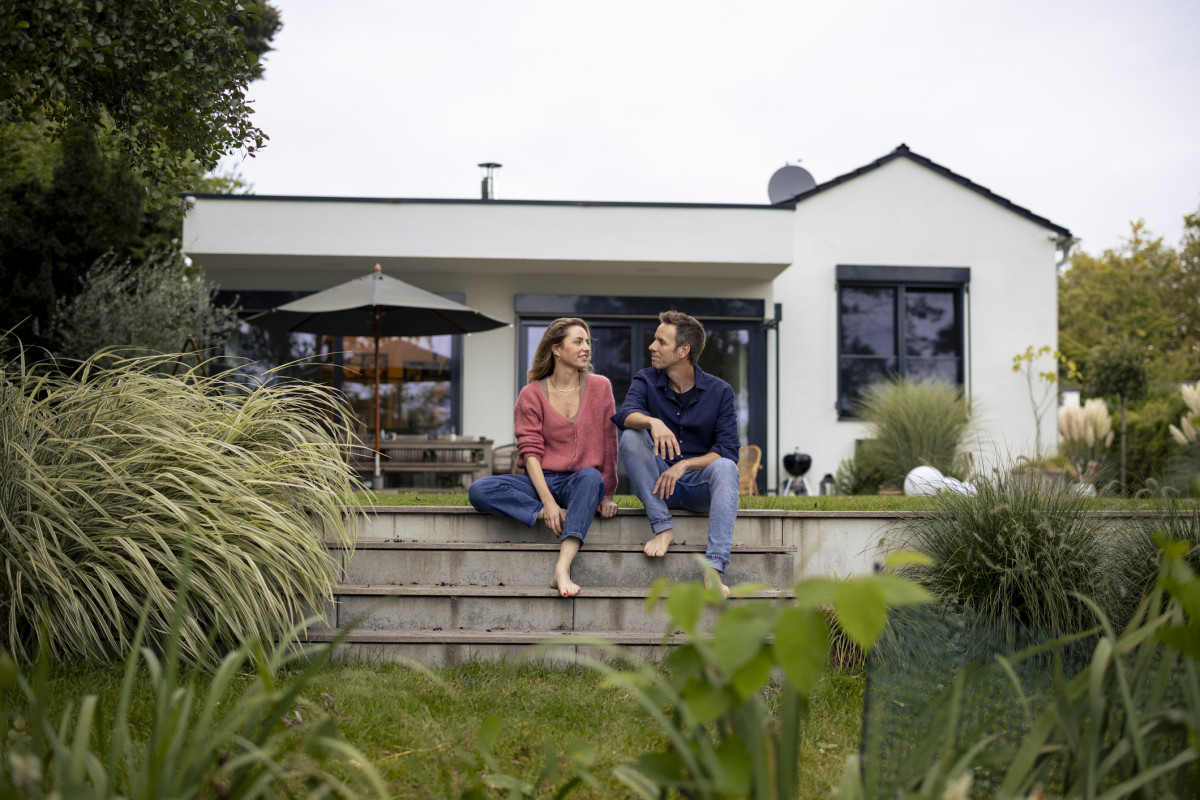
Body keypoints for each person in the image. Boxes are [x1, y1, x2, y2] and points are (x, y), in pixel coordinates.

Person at [468, 318, 619, 597]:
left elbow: (609, 441)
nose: (586, 347)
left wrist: (607, 494)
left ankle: (561, 569)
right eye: (578, 341)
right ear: (557, 349)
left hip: (580, 481)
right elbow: (530, 453)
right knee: (479, 489)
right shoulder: (531, 394)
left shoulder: (601, 387)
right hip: (541, 482)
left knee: (591, 476)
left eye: (587, 342)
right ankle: (565, 514)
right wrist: (548, 505)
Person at [611, 310, 739, 596]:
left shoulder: (720, 392)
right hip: (659, 484)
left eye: (660, 342)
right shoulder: (645, 380)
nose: (651, 347)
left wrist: (685, 466)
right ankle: (663, 528)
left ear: (684, 351)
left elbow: (728, 450)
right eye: (654, 340)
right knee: (632, 436)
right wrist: (653, 422)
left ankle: (714, 570)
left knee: (726, 468)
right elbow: (625, 415)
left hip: (697, 485)